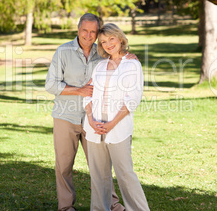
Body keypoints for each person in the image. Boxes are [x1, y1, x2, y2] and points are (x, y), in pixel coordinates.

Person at [45, 14, 129, 211]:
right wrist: (79, 90)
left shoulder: (102, 52)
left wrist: (128, 55)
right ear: (78, 30)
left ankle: (113, 204)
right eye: (85, 30)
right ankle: (66, 207)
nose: (88, 35)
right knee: (64, 165)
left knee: (100, 166)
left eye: (93, 31)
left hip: (94, 119)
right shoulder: (63, 51)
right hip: (66, 117)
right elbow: (51, 84)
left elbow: (118, 56)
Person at [83, 23, 149, 211]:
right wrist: (90, 119)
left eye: (111, 39)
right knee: (98, 176)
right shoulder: (100, 66)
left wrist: (111, 123)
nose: (108, 44)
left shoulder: (132, 64)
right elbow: (88, 93)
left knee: (125, 174)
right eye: (103, 42)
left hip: (117, 128)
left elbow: (132, 99)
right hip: (94, 128)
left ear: (120, 39)